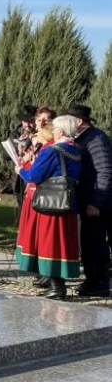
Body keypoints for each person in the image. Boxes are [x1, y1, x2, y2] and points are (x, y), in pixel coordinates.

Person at [15, 115, 82, 300]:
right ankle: (57, 285)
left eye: (54, 129)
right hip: (68, 202)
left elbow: (34, 176)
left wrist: (20, 170)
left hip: (51, 203)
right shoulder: (76, 150)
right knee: (63, 245)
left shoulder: (52, 150)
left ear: (60, 131)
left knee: (50, 244)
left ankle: (57, 287)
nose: (52, 131)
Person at [68, 103, 112, 297]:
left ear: (78, 121)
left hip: (98, 203)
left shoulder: (96, 138)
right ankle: (91, 280)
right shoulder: (82, 138)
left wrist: (96, 202)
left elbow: (105, 171)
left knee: (97, 244)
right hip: (87, 200)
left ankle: (101, 283)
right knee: (88, 244)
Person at [11, 105, 37, 211]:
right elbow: (6, 154)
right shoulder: (16, 133)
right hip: (18, 178)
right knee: (21, 207)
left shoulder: (40, 135)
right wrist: (18, 151)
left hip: (32, 177)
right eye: (24, 121)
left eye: (30, 121)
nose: (27, 125)